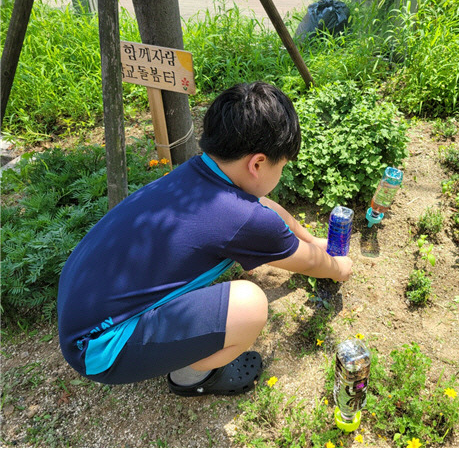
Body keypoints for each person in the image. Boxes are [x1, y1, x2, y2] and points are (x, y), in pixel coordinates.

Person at [57, 82, 353, 397]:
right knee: (249, 306)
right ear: (257, 164)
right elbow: (308, 262)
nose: (281, 172)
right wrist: (338, 268)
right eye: (281, 165)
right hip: (98, 347)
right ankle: (190, 377)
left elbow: (267, 209)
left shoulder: (199, 175)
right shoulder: (244, 219)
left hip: (80, 302)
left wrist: (312, 239)